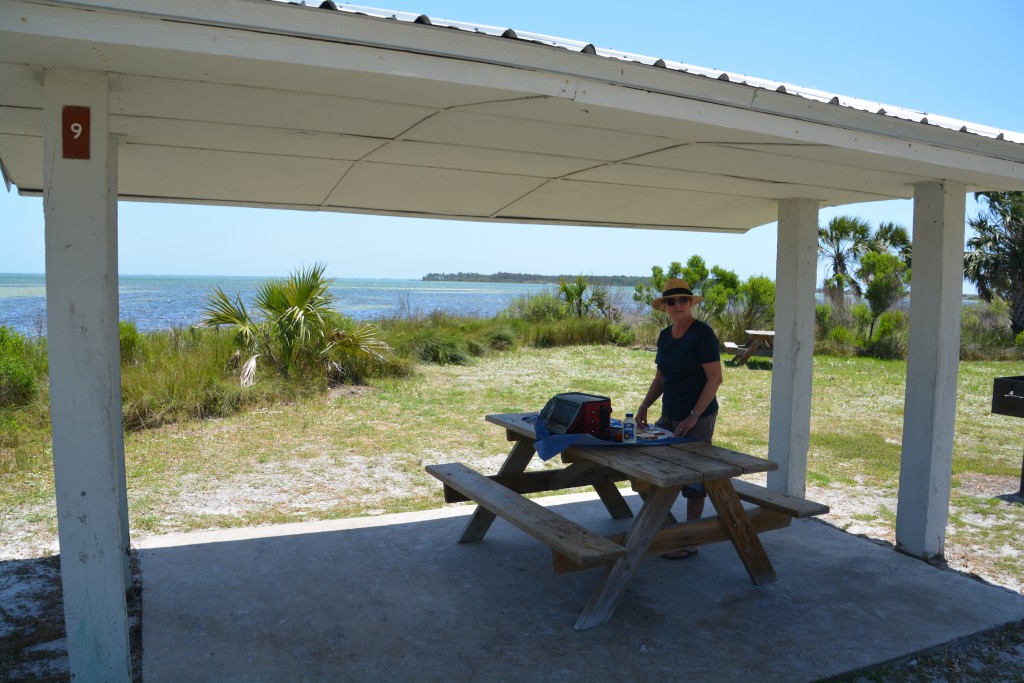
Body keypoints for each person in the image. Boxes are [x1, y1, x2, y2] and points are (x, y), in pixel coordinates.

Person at [635, 278, 723, 560]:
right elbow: (661, 377)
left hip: (698, 415)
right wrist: (645, 405)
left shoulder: (702, 334)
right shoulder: (664, 336)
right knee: (646, 466)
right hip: (670, 413)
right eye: (670, 302)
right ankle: (667, 526)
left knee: (693, 479)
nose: (677, 306)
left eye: (682, 300)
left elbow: (715, 378)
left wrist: (694, 416)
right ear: (664, 307)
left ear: (690, 303)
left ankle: (691, 539)